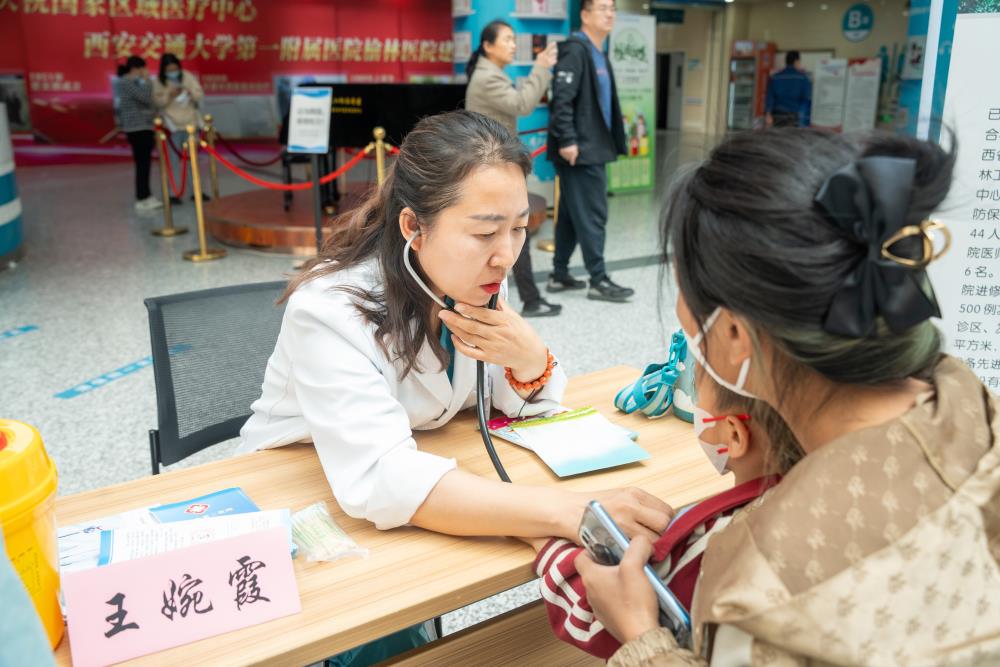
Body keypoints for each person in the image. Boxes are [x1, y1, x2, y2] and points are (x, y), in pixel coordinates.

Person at [568, 129, 1000, 665]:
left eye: (685, 294)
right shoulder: (969, 398)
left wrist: (641, 637)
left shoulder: (761, 584)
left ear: (734, 336)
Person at [533, 382, 802, 659]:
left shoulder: (710, 551)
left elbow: (600, 609)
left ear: (734, 434)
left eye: (697, 388)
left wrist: (544, 534)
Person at [466, 20, 562, 318]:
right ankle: (526, 299)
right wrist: (541, 67)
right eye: (507, 39)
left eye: (513, 39)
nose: (512, 45)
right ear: (488, 45)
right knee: (513, 231)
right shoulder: (487, 78)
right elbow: (522, 104)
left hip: (494, 171)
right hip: (491, 173)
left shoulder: (491, 73)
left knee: (513, 232)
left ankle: (525, 299)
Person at [547, 0, 633, 303]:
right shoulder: (576, 50)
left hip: (592, 146)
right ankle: (598, 279)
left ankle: (559, 274)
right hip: (581, 150)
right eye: (602, 8)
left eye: (612, 8)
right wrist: (568, 140)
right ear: (584, 15)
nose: (610, 14)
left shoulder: (599, 52)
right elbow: (561, 100)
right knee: (594, 215)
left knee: (572, 215)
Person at [153, 53, 205, 204]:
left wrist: (189, 92)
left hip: (190, 124)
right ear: (163, 70)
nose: (173, 72)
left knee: (192, 161)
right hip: (171, 126)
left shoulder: (187, 76)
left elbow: (199, 94)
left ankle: (196, 191)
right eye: (169, 70)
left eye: (175, 69)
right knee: (172, 161)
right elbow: (157, 102)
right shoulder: (158, 82)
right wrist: (169, 95)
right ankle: (174, 193)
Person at [118, 55, 162, 213]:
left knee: (145, 163)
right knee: (142, 164)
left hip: (144, 127)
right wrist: (148, 81)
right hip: (137, 128)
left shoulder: (133, 83)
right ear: (135, 69)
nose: (145, 71)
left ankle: (146, 195)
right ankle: (142, 198)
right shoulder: (126, 82)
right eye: (143, 68)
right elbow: (145, 98)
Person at [765, 51, 811, 128]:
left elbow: (770, 97)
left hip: (777, 115)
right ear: (796, 61)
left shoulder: (775, 77)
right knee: (792, 135)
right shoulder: (803, 78)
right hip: (794, 116)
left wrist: (768, 113)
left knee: (778, 135)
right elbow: (806, 97)